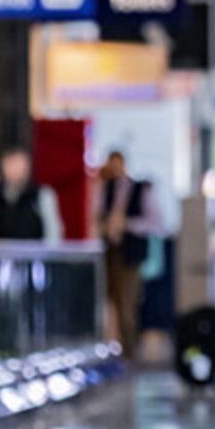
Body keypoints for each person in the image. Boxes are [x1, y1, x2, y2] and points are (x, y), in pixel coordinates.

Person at [95, 151, 157, 356]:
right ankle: (114, 345)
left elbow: (155, 221)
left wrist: (126, 225)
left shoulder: (141, 189)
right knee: (110, 299)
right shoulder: (105, 189)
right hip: (110, 252)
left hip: (131, 254)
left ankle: (129, 350)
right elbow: (97, 216)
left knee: (127, 301)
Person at [0, 146, 63, 243]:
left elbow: (53, 236)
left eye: (20, 164)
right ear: (3, 166)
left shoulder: (43, 195)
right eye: (11, 163)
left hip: (33, 256)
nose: (16, 170)